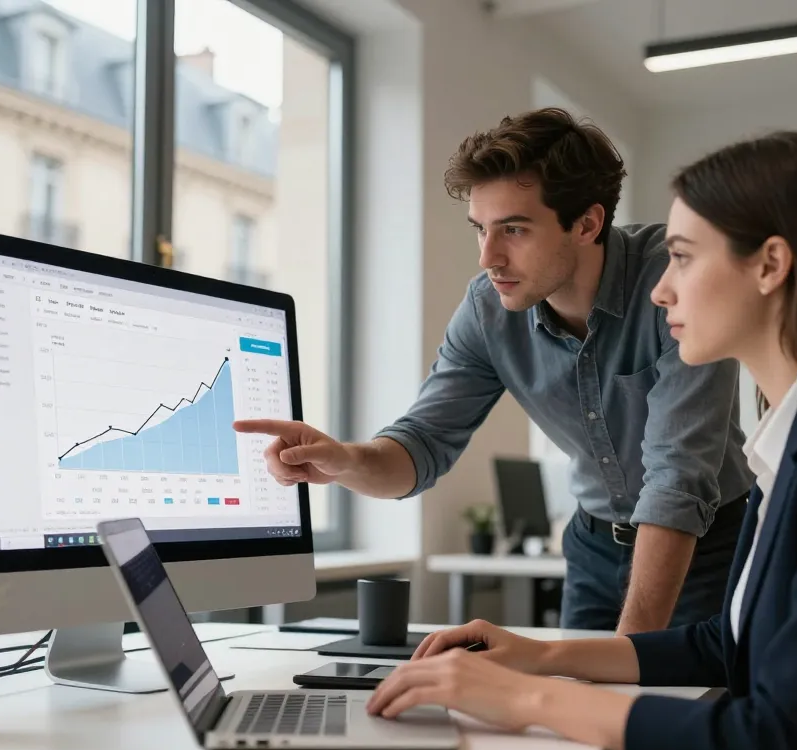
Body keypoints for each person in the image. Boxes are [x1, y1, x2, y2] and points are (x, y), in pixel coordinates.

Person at [364, 131, 797, 750]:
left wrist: (530, 699)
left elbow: (783, 740)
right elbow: (727, 645)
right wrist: (539, 655)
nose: (662, 289)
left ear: (770, 266)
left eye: (684, 257)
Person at [235, 107, 754, 634]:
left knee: (680, 705)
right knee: (575, 705)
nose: (488, 257)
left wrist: (627, 659)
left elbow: (677, 478)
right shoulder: (488, 311)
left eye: (514, 229)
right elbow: (421, 445)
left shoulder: (675, 280)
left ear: (587, 223)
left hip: (705, 545)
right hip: (594, 546)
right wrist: (344, 460)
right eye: (480, 229)